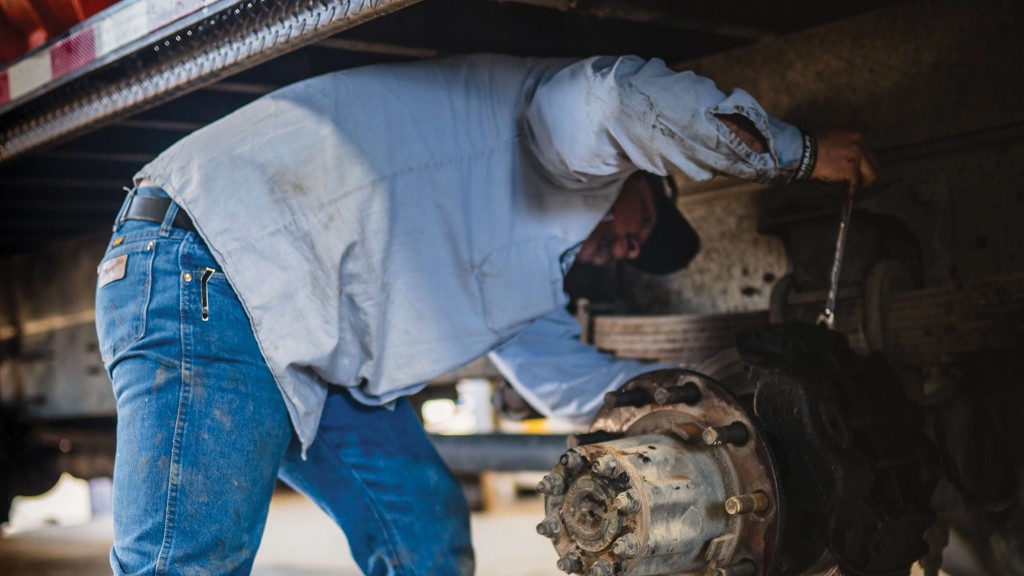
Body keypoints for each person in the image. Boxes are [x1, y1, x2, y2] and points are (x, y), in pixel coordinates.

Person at [94, 54, 876, 575]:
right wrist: (796, 152)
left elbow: (578, 392)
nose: (631, 245)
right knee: (182, 562)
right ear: (635, 174)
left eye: (638, 253)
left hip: (306, 345)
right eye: (646, 222)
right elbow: (621, 95)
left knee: (427, 529)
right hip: (214, 266)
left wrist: (730, 400)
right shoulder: (560, 138)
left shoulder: (527, 283)